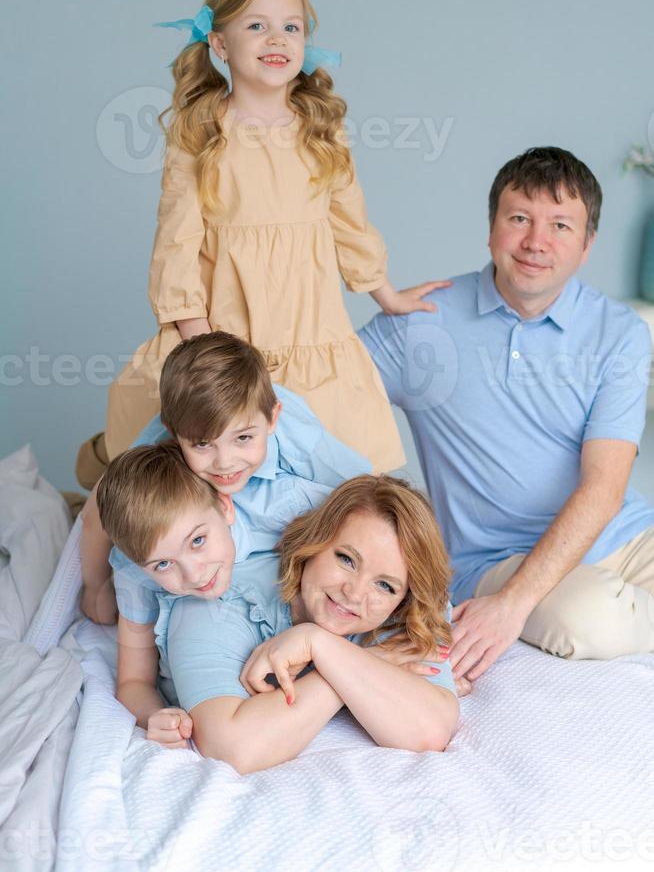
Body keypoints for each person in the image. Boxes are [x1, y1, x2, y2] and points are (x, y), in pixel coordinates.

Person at [76, 0, 451, 488]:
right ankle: (97, 497)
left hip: (308, 331)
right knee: (186, 471)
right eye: (256, 26)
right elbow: (177, 243)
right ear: (220, 44)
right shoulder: (200, 133)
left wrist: (386, 293)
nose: (276, 39)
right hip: (224, 334)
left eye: (291, 27)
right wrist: (203, 349)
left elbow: (349, 218)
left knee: (329, 477)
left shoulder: (322, 129)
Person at [359, 146, 654, 682]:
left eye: (561, 226)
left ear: (587, 246)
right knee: (592, 622)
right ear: (491, 228)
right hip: (498, 561)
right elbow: (318, 394)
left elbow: (605, 489)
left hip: (628, 539)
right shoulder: (421, 322)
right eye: (519, 218)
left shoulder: (619, 332)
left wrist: (514, 611)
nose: (536, 242)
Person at [163, 475, 459, 773]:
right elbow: (233, 748)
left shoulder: (406, 614)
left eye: (384, 585)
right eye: (346, 559)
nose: (354, 594)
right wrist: (356, 666)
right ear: (314, 542)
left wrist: (318, 644)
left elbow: (430, 731)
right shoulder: (217, 604)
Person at [81, 331, 371, 625]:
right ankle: (94, 456)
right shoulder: (159, 440)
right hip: (143, 460)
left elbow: (370, 491)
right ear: (173, 432)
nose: (225, 462)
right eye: (203, 444)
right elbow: (98, 515)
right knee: (103, 475)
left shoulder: (297, 437)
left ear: (272, 420)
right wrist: (95, 588)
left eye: (244, 438)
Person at [96, 441, 237, 749]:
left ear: (225, 507)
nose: (194, 574)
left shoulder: (270, 525)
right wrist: (156, 714)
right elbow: (133, 682)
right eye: (163, 564)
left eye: (198, 540)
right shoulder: (135, 579)